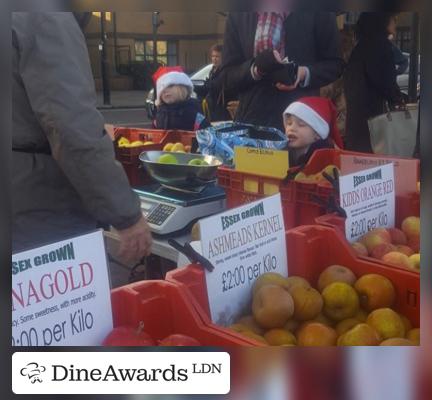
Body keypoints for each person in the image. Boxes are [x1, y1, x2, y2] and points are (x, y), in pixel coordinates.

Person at [12, 12, 152, 260]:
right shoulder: (45, 16)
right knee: (66, 297)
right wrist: (127, 215)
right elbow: (71, 128)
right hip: (39, 206)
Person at [219, 12, 344, 131]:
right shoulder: (238, 14)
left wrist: (302, 73)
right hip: (253, 123)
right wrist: (255, 69)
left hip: (301, 125)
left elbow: (334, 65)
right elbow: (227, 76)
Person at [343, 13, 404, 153]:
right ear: (382, 20)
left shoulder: (360, 48)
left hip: (355, 119)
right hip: (374, 120)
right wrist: (398, 99)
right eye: (394, 19)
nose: (396, 23)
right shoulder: (382, 46)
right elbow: (387, 83)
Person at [283, 97, 343, 166]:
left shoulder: (327, 160)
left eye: (301, 125)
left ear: (317, 134)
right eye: (289, 123)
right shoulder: (280, 153)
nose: (292, 128)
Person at [153, 66, 211, 131]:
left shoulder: (192, 109)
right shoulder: (161, 111)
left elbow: (207, 132)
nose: (165, 91)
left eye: (170, 86)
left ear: (182, 88)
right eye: (161, 89)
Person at [202, 44, 233, 122]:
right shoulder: (212, 70)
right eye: (213, 56)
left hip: (222, 108)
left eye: (217, 56)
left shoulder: (226, 71)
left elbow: (214, 86)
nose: (214, 59)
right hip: (212, 107)